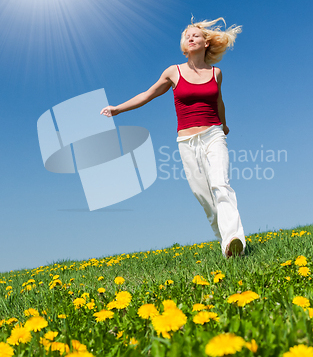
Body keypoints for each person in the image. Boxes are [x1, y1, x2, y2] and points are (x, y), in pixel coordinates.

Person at [100, 18, 246, 258]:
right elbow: (147, 95)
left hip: (213, 134)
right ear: (184, 45)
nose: (190, 38)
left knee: (221, 185)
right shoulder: (174, 72)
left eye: (196, 35)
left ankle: (234, 239)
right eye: (187, 35)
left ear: (206, 42)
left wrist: (225, 125)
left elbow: (218, 101)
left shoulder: (216, 73)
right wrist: (117, 109)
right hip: (186, 141)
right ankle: (226, 245)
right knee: (204, 197)